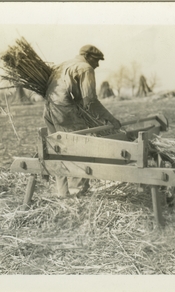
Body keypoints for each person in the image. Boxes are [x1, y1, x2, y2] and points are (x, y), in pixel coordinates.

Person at [43, 44, 121, 197]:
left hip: (49, 110)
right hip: (64, 112)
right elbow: (90, 102)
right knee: (79, 148)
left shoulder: (64, 64)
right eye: (97, 61)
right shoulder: (85, 68)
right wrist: (111, 120)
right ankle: (78, 194)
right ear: (88, 57)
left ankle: (63, 193)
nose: (97, 65)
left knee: (58, 150)